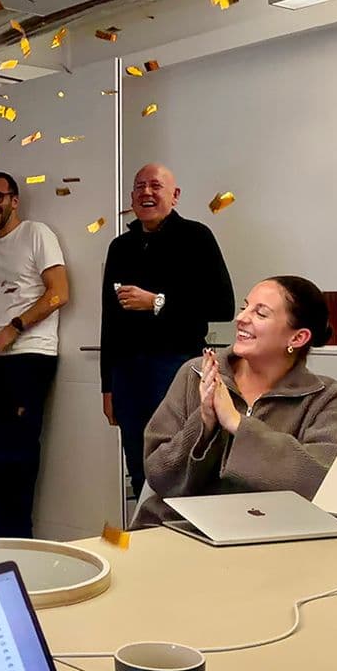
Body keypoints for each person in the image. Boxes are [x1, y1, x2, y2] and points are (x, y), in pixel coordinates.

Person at [135, 276, 337, 527]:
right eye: (244, 307)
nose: (241, 318)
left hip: (274, 538)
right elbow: (159, 476)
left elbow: (321, 481)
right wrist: (204, 424)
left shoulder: (325, 397)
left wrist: (238, 424)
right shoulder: (196, 373)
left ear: (297, 338)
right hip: (179, 530)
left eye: (260, 314)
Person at [100, 163, 234, 499]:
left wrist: (157, 302)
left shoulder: (196, 237)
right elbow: (109, 320)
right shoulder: (121, 246)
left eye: (155, 186)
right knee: (138, 462)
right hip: (127, 374)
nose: (146, 192)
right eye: (139, 186)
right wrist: (107, 386)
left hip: (177, 367)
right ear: (131, 197)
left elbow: (223, 306)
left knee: (180, 459)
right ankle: (146, 537)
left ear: (174, 196)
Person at [0, 172, 69, 538]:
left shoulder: (37, 234)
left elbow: (59, 293)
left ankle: (20, 537)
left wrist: (14, 328)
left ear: (14, 200)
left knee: (19, 453)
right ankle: (2, 533)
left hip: (30, 356)